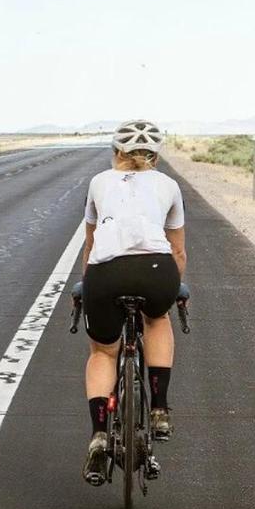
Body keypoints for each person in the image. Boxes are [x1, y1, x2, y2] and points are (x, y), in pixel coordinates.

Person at [80, 119, 187, 486]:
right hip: (157, 268)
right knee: (157, 320)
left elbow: (91, 245)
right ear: (155, 156)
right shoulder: (169, 185)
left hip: (105, 273)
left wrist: (86, 285)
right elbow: (178, 250)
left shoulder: (99, 182)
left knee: (103, 353)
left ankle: (98, 434)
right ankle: (158, 410)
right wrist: (176, 287)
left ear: (116, 152)